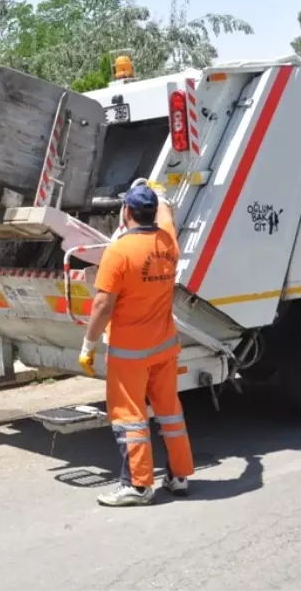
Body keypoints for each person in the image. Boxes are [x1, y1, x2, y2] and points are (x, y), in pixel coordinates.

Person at [78, 182, 195, 507]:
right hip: (164, 345)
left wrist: (88, 346)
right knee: (170, 411)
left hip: (130, 351)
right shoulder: (167, 242)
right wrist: (159, 194)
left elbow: (103, 304)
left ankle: (139, 485)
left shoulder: (119, 252)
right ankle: (179, 475)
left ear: (126, 212)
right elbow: (167, 213)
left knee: (129, 416)